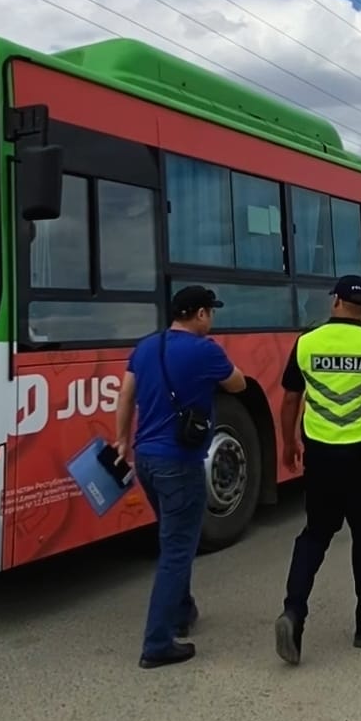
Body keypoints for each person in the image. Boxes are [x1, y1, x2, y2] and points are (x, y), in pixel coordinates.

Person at [273, 275, 361, 664]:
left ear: (335, 301)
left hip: (319, 456)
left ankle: (294, 612)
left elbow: (289, 401)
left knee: (314, 535)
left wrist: (288, 445)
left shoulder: (307, 343)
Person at [115, 285, 247, 668]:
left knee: (175, 535)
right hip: (180, 463)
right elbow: (238, 384)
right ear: (201, 314)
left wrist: (122, 441)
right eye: (211, 312)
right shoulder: (205, 351)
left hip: (146, 461)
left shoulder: (146, 347)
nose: (213, 319)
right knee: (176, 549)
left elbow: (125, 397)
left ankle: (183, 611)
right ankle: (157, 643)